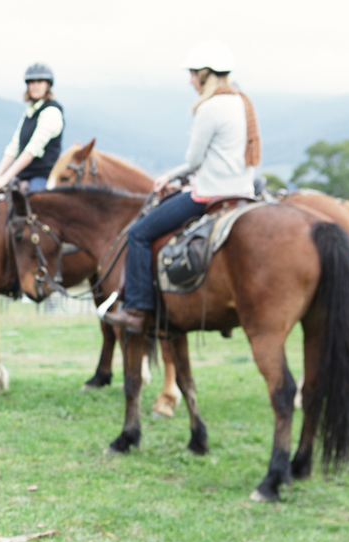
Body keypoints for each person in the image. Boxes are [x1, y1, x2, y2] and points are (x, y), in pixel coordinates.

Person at [104, 41, 261, 333]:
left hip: (211, 193)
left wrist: (168, 177)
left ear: (206, 74)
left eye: (192, 74)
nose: (190, 80)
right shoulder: (242, 101)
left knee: (139, 233)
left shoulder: (210, 106)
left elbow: (194, 159)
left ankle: (137, 310)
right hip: (242, 192)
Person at [0, 63, 65, 193]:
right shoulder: (29, 112)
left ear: (48, 85)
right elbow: (14, 147)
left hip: (43, 177)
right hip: (24, 175)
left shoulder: (51, 111)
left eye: (40, 81)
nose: (35, 85)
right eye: (31, 82)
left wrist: (6, 177)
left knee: (34, 204)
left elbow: (32, 150)